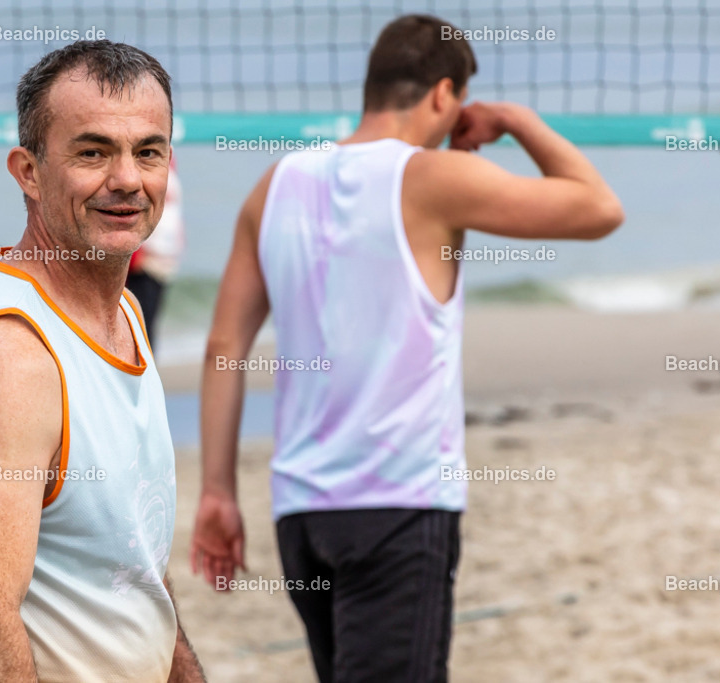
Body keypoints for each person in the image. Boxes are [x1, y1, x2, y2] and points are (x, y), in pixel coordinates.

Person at [189, 14, 623, 683]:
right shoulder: (433, 177)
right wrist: (515, 120)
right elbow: (599, 207)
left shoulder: (274, 185)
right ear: (444, 94)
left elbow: (224, 347)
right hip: (398, 504)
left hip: (301, 515)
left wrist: (217, 491)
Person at [0, 40, 205, 682]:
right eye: (92, 152)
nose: (127, 179)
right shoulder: (6, 357)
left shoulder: (124, 314)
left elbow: (136, 563)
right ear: (28, 171)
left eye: (148, 152)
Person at [126, 153, 186, 344]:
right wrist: (135, 254)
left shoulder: (169, 170)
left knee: (148, 321)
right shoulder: (142, 169)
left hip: (163, 258)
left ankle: (146, 360)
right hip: (147, 259)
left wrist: (179, 240)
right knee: (140, 322)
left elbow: (173, 210)